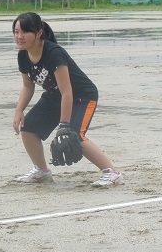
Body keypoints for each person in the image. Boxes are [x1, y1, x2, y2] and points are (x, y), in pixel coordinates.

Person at [12, 12, 124, 187]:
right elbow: (28, 86)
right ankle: (42, 171)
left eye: (25, 32)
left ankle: (112, 173)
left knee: (73, 135)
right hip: (54, 97)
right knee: (28, 129)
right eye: (16, 32)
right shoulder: (23, 55)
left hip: (82, 97)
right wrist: (19, 110)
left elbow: (67, 91)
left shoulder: (53, 53)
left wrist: (64, 125)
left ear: (39, 33)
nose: (19, 37)